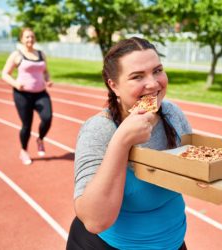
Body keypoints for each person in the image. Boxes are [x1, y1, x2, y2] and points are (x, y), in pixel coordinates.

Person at [66, 37, 192, 250]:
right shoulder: (99, 129)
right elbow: (95, 221)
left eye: (158, 70)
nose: (153, 84)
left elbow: (191, 170)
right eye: (137, 76)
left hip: (173, 243)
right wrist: (121, 142)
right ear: (113, 86)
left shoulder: (172, 114)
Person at [1, 27, 53, 165]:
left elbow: (46, 71)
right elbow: (5, 74)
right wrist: (15, 84)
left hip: (41, 94)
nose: (30, 39)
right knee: (27, 126)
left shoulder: (41, 54)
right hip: (22, 95)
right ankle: (24, 151)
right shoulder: (16, 55)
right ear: (22, 39)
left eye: (32, 37)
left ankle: (40, 139)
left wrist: (47, 79)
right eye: (27, 37)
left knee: (47, 118)